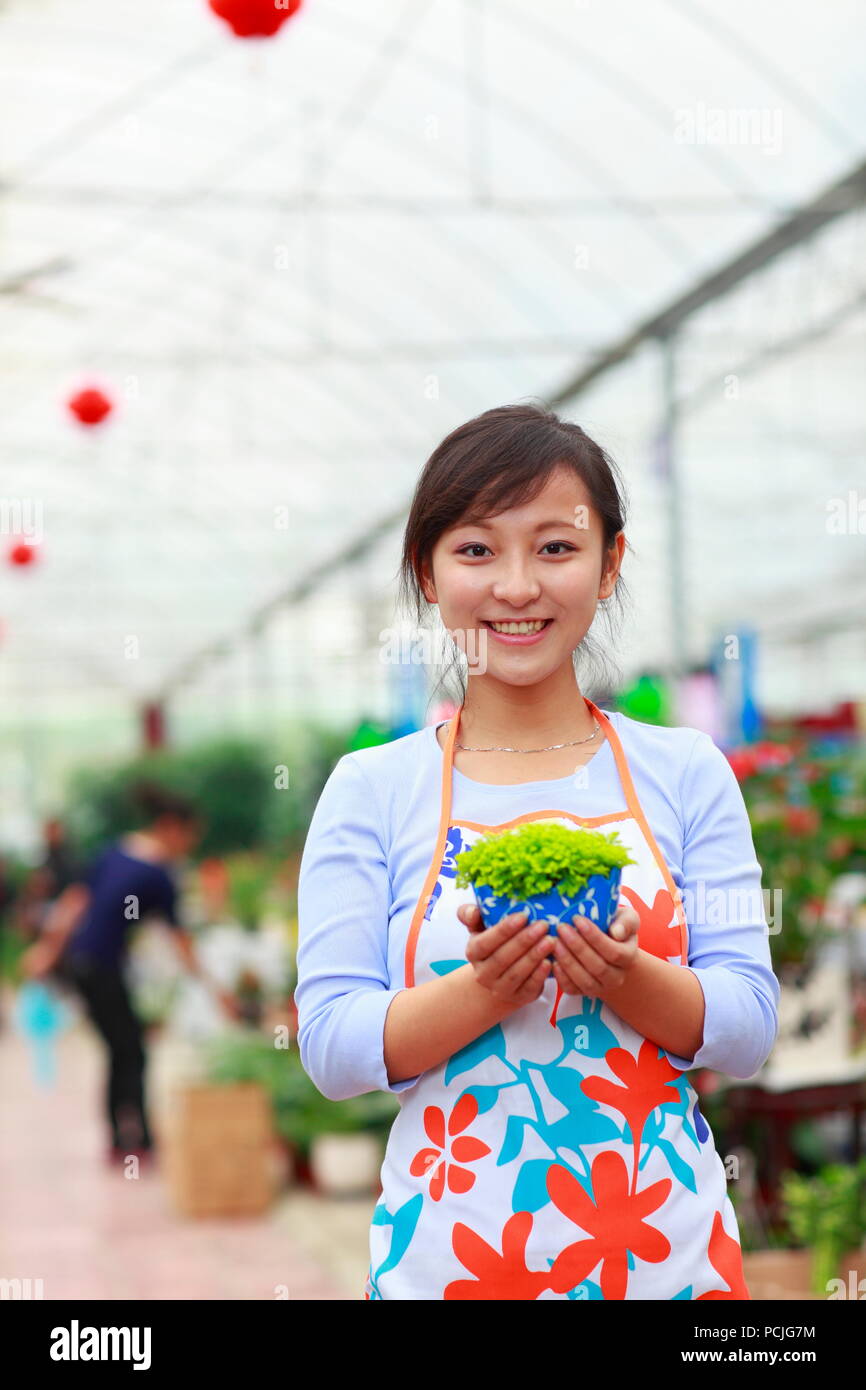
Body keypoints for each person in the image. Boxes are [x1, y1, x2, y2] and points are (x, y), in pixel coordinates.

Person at [295, 403, 780, 1301]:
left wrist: (623, 973)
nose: (517, 587)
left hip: (662, 1258)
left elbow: (747, 1025)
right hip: (451, 1262)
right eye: (476, 550)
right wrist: (490, 986)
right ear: (427, 575)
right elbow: (331, 1046)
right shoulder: (372, 789)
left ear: (610, 565)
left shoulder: (685, 771)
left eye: (556, 547)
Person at [21, 783, 238, 1163]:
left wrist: (50, 951)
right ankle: (135, 1140)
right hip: (99, 967)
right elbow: (180, 940)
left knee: (121, 1048)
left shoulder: (115, 851)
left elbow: (75, 904)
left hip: (85, 964)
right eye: (189, 837)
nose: (188, 846)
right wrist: (216, 989)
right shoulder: (158, 875)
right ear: (171, 827)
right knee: (130, 1050)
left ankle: (123, 1138)